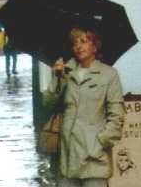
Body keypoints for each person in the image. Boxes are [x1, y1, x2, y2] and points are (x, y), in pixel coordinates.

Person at [42, 27, 125, 187]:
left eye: (84, 41)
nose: (78, 46)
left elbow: (117, 116)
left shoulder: (109, 75)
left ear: (95, 46)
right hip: (67, 157)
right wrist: (57, 78)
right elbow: (48, 104)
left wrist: (100, 143)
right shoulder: (66, 72)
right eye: (75, 43)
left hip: (94, 157)